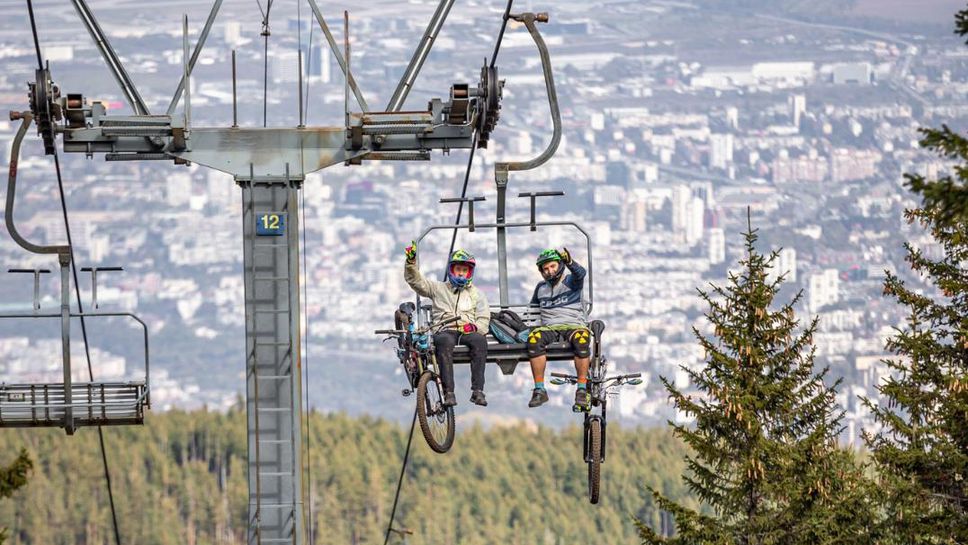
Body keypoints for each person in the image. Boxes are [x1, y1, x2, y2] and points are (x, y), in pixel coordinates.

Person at [404, 241, 490, 407]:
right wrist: (411, 263)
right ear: (451, 270)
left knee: (479, 341)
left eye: (464, 271)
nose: (460, 274)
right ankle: (448, 392)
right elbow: (416, 282)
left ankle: (478, 391)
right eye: (458, 270)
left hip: (467, 329)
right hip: (445, 329)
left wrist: (475, 327)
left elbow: (483, 317)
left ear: (469, 273)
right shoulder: (438, 289)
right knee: (444, 342)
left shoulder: (477, 294)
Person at [526, 247, 592, 411]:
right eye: (545, 269)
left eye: (552, 266)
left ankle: (582, 389)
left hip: (573, 325)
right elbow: (532, 310)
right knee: (534, 340)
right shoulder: (541, 288)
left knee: (582, 340)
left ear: (560, 266)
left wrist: (570, 262)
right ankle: (540, 389)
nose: (549, 271)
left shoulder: (571, 281)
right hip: (550, 328)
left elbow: (581, 274)